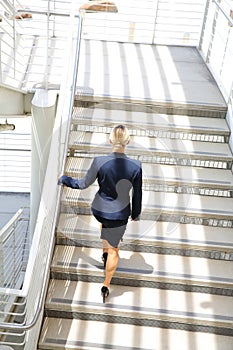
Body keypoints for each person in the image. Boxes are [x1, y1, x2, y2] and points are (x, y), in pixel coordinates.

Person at [58, 124, 142, 302]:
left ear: (110, 140)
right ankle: (106, 284)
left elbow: (82, 184)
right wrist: (135, 214)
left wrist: (65, 179)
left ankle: (104, 251)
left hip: (99, 210)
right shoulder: (136, 166)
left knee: (106, 226)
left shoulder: (99, 161)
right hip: (119, 214)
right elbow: (137, 194)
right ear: (128, 141)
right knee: (115, 250)